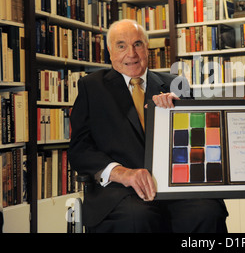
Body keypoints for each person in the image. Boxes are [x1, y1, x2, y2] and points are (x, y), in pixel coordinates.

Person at [68, 19, 228, 233]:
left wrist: (180, 109)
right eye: (121, 45)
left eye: (138, 44)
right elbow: (80, 149)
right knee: (137, 217)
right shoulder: (92, 87)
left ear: (147, 48)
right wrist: (121, 172)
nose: (131, 53)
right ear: (109, 51)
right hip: (121, 191)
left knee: (206, 211)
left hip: (175, 186)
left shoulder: (175, 85)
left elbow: (201, 143)